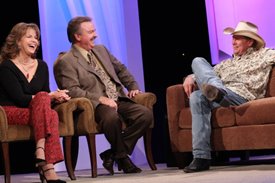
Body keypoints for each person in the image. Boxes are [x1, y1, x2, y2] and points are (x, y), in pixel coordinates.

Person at [53, 16, 153, 175]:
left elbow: (121, 70)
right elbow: (71, 90)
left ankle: (112, 154)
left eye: (94, 30)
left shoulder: (101, 50)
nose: (96, 34)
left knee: (145, 115)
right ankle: (123, 158)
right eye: (91, 31)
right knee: (111, 117)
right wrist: (100, 99)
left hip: (118, 99)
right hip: (95, 105)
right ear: (77, 36)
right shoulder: (67, 61)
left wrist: (133, 86)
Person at [182, 21, 275, 173]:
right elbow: (205, 72)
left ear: (250, 41)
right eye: (233, 38)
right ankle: (201, 157)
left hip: (242, 96)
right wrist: (189, 78)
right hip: (221, 95)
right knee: (197, 79)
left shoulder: (264, 55)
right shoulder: (226, 64)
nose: (233, 41)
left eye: (238, 38)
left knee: (202, 93)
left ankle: (217, 90)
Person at [0, 22, 71, 183]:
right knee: (48, 108)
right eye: (29, 37)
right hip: (9, 112)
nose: (35, 41)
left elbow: (44, 95)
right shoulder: (6, 67)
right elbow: (19, 98)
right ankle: (46, 164)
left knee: (49, 109)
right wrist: (49, 97)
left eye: (36, 37)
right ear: (18, 41)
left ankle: (43, 157)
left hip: (37, 111)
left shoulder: (42, 66)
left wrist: (54, 97)